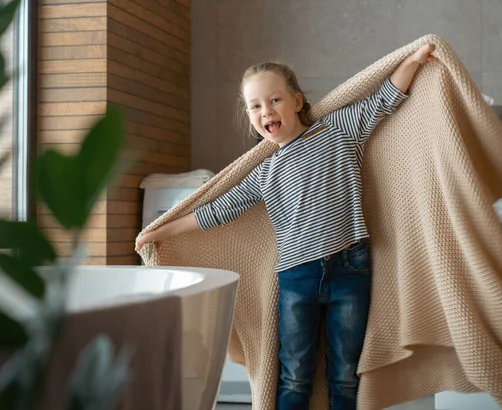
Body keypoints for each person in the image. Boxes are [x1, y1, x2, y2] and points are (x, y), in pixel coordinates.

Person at [136, 43, 437, 410]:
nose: (267, 111)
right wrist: (160, 232)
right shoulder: (264, 172)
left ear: (297, 101)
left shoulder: (338, 131)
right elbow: (218, 210)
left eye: (275, 100)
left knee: (345, 377)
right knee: (295, 377)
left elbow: (385, 98)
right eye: (256, 106)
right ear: (249, 116)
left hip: (350, 270)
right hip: (296, 278)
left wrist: (413, 60)